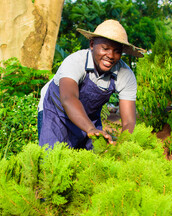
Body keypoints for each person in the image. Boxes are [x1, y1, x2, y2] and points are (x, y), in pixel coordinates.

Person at [38, 19, 145, 150]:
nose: (110, 55)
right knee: (53, 159)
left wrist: (122, 145)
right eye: (105, 48)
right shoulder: (75, 61)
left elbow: (129, 121)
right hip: (55, 113)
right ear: (92, 44)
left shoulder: (125, 75)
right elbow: (68, 98)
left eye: (117, 51)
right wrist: (90, 128)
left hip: (89, 118)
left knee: (92, 161)